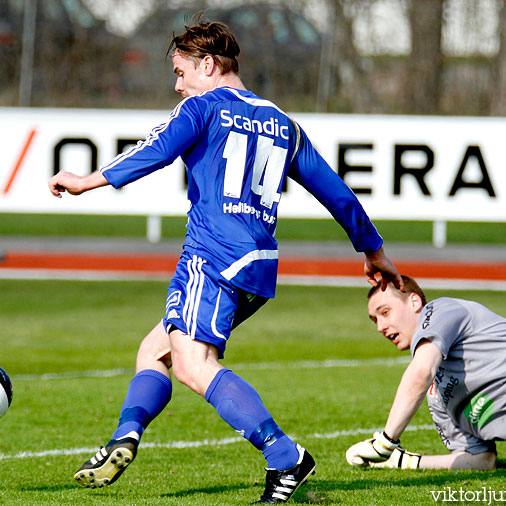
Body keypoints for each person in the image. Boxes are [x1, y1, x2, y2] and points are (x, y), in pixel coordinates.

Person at [48, 18, 402, 504]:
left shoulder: (201, 106)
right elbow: (336, 192)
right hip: (259, 265)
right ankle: (124, 437)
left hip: (212, 255)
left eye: (179, 71)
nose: (176, 84)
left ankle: (285, 457)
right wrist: (373, 250)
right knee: (155, 350)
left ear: (208, 65)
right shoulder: (283, 122)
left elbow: (155, 148)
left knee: (195, 365)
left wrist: (89, 180)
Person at [345, 275, 506, 471]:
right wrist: (404, 461)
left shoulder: (439, 311)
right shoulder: (437, 396)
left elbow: (420, 372)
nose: (381, 326)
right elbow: (481, 460)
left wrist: (385, 441)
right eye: (374, 320)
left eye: (385, 312)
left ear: (414, 301)